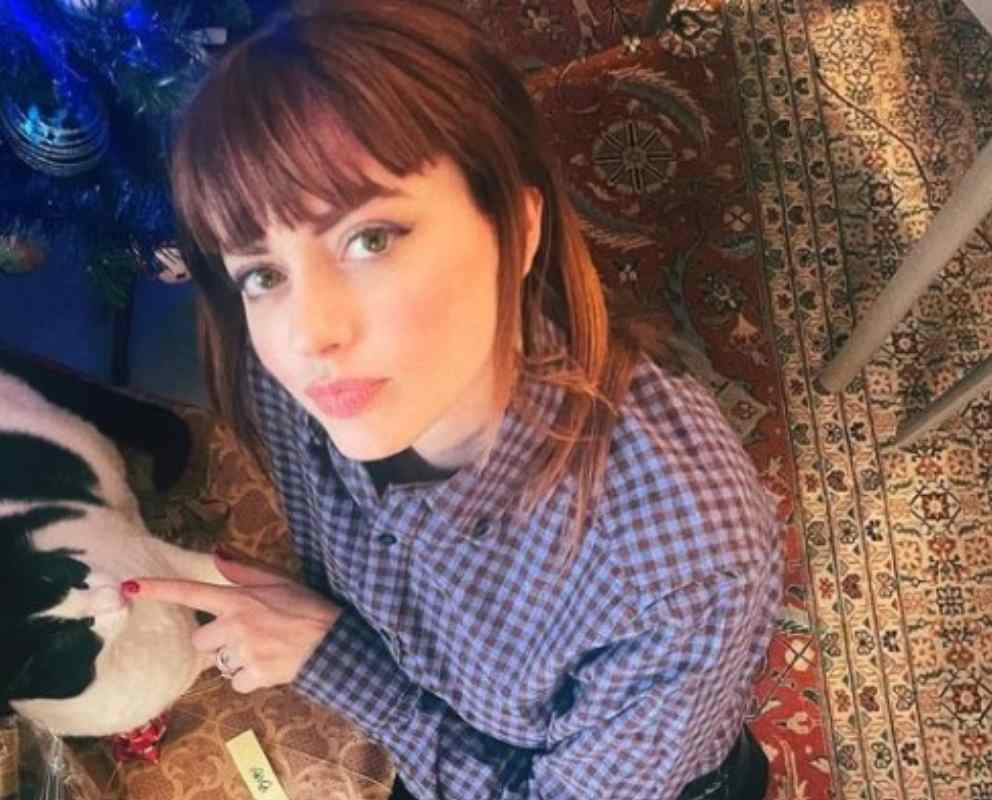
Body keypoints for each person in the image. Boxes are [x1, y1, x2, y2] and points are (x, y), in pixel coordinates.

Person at [125, 1, 784, 797]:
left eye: (369, 238)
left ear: (518, 225)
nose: (309, 334)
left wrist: (334, 662)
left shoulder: (683, 572)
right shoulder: (291, 387)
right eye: (263, 274)